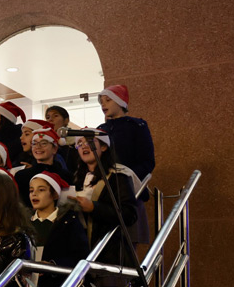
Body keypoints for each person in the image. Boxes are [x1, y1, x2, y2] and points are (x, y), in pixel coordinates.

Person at [98, 84, 155, 244]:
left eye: (108, 100)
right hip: (104, 193)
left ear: (120, 102)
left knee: (128, 244)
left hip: (129, 191)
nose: (103, 104)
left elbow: (147, 161)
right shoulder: (100, 130)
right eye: (101, 101)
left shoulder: (137, 126)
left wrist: (126, 178)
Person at [71, 130, 139, 265]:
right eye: (80, 143)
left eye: (89, 142)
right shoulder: (76, 178)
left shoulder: (118, 176)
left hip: (107, 251)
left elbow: (129, 214)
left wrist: (93, 207)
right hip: (82, 250)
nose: (84, 146)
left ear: (103, 146)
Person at [14, 128, 73, 208]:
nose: (38, 147)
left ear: (54, 149)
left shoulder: (66, 176)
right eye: (34, 143)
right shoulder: (21, 176)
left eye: (43, 143)